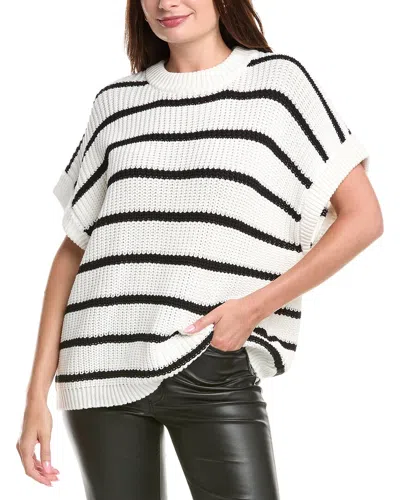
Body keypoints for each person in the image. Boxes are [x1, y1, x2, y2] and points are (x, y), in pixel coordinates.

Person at [16, 0, 383, 498]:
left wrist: (253, 309)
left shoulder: (278, 85)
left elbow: (363, 219)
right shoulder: (115, 103)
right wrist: (35, 396)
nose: (165, 3)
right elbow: (73, 251)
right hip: (99, 365)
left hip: (212, 361)